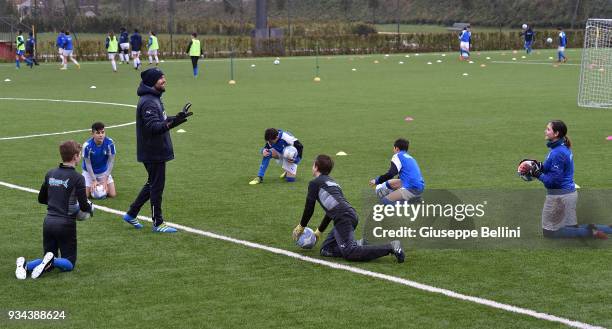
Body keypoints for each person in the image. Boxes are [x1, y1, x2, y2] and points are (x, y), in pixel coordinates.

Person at [292, 154, 405, 263]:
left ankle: (391, 247)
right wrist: (318, 232)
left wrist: (301, 226)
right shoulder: (333, 183)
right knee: (326, 250)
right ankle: (361, 243)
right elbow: (330, 211)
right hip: (348, 215)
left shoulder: (314, 183)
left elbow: (309, 208)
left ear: (316, 167)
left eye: (313, 165)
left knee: (350, 252)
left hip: (344, 218)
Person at [122, 68, 193, 233]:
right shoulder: (148, 101)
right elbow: (153, 127)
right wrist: (171, 122)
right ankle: (158, 223)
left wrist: (178, 118)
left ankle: (131, 213)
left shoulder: (154, 99)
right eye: (161, 78)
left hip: (155, 150)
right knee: (156, 186)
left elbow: (161, 123)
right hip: (153, 152)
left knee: (152, 183)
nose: (164, 80)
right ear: (152, 81)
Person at [519, 120, 612, 239]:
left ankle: (590, 233)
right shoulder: (559, 148)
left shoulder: (558, 153)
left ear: (556, 133)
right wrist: (538, 165)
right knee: (570, 227)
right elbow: (550, 167)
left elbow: (553, 182)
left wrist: (536, 173)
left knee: (550, 232)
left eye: (548, 129)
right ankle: (608, 229)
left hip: (560, 197)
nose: (545, 131)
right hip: (567, 194)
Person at [15, 140, 94, 280]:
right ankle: (52, 260)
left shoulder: (50, 173)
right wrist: (90, 209)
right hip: (65, 225)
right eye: (79, 154)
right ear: (75, 156)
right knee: (69, 263)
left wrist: (55, 202)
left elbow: (41, 199)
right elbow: (83, 206)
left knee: (48, 260)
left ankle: (25, 265)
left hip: (48, 222)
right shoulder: (78, 178)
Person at [369, 138, 425, 204]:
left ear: (397, 148)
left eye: (393, 148)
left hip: (411, 187)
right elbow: (406, 175)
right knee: (388, 183)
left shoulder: (397, 156)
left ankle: (411, 201)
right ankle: (413, 197)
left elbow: (391, 174)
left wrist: (377, 180)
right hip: (419, 186)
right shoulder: (410, 157)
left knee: (386, 201)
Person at [82, 122, 117, 199]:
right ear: (92, 133)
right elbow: (88, 164)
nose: (101, 135)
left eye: (103, 132)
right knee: (85, 196)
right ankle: (91, 187)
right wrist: (94, 180)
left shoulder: (110, 143)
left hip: (103, 172)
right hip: (89, 172)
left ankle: (99, 187)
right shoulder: (87, 146)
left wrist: (106, 178)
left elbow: (111, 161)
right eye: (98, 133)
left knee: (112, 194)